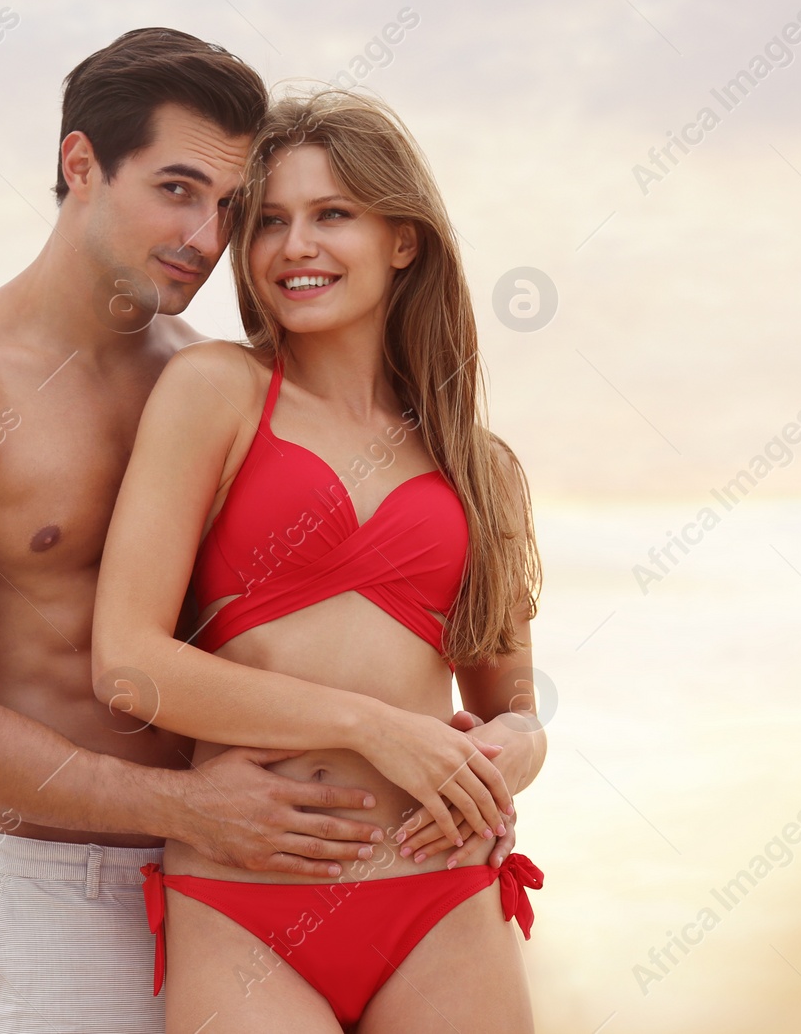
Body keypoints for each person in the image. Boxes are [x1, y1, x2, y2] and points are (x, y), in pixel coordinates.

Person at [0, 30, 405, 1033]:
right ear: (80, 165)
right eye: (177, 189)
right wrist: (182, 805)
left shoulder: (215, 383)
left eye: (232, 208)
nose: (206, 234)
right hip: (61, 894)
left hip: (251, 884)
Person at [92, 89, 549, 1033]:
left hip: (443, 894)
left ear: (403, 240)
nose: (295, 245)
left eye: (332, 214)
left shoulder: (480, 466)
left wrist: (521, 746)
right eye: (269, 222)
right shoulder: (214, 391)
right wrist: (373, 726)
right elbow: (128, 664)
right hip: (245, 901)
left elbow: (511, 701)